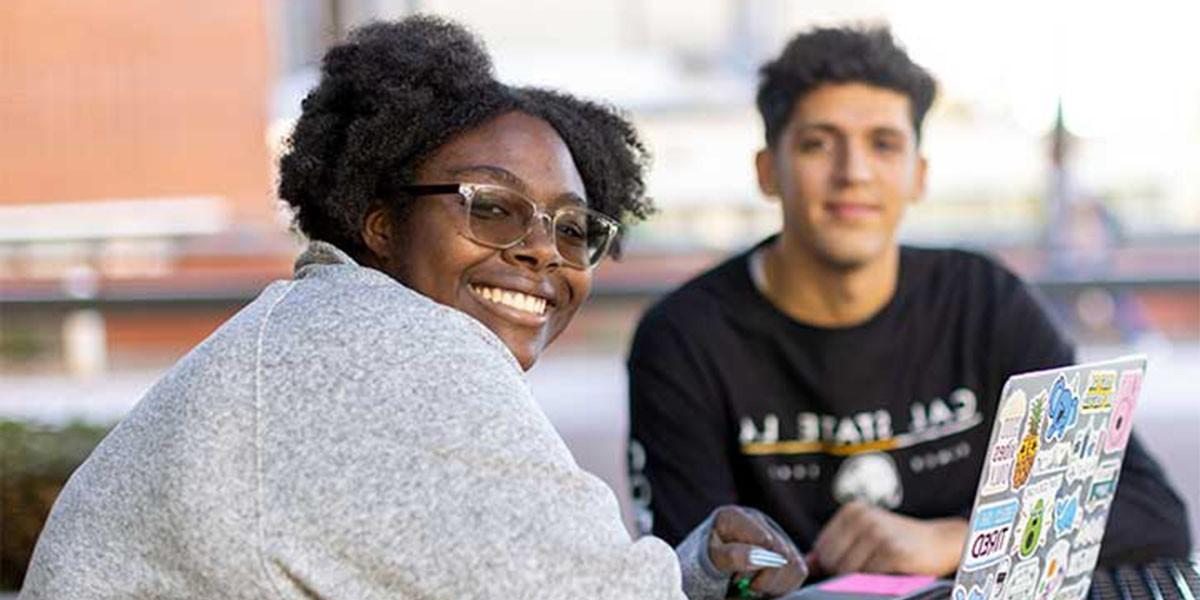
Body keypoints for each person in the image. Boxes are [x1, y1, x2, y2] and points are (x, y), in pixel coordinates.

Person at [21, 17, 807, 599]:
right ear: (380, 222)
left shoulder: (318, 330)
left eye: (574, 229)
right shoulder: (385, 352)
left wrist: (686, 574)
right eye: (491, 208)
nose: (542, 250)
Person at [627, 25, 1192, 580]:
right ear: (767, 171)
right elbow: (684, 577)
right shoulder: (683, 340)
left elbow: (1151, 515)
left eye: (884, 143)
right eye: (818, 143)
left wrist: (955, 540)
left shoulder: (983, 302)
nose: (854, 173)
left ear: (918, 175)